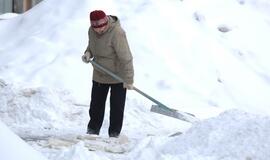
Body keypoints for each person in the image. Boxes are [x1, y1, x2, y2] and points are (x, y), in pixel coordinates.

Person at [82, 10, 134, 138]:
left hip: (118, 76)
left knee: (116, 108)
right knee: (96, 106)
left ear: (106, 22)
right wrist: (88, 53)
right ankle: (92, 131)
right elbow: (91, 46)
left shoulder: (117, 33)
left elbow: (126, 57)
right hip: (100, 73)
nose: (98, 31)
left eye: (101, 27)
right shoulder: (91, 31)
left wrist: (129, 79)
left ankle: (114, 134)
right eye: (95, 28)